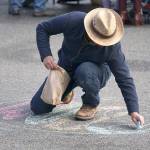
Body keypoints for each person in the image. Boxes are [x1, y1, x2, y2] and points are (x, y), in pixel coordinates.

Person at [30, 8, 144, 126]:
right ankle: (67, 91)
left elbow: (124, 78)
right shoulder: (73, 20)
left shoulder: (112, 47)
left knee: (84, 71)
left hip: (94, 72)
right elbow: (43, 28)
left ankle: (90, 103)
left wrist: (133, 110)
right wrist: (46, 55)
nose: (101, 42)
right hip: (66, 68)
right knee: (38, 108)